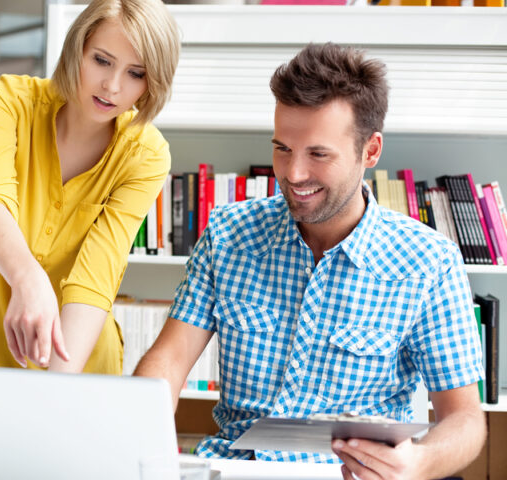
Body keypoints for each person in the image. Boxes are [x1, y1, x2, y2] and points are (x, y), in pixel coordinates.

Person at [134, 43, 486, 478]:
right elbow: (168, 359)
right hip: (237, 468)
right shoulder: (228, 234)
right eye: (282, 148)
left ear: (370, 151)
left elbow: (465, 419)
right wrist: (142, 441)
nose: (294, 173)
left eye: (318, 154)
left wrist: (418, 462)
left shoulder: (428, 262)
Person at [0, 0, 180, 374]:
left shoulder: (146, 156)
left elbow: (97, 272)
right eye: (101, 60)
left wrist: (57, 387)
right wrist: (28, 279)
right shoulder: (7, 102)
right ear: (77, 49)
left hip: (78, 360)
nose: (112, 86)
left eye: (136, 73)